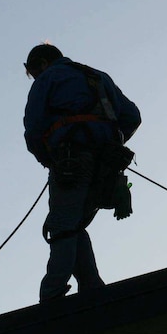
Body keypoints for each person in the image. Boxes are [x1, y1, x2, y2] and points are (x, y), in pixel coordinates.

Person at [22, 43, 141, 302]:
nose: (34, 78)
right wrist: (110, 141)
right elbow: (132, 116)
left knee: (62, 225)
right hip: (108, 165)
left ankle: (52, 294)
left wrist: (50, 159)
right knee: (74, 224)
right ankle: (91, 285)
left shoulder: (48, 80)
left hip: (71, 162)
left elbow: (33, 131)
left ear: (42, 63)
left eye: (33, 73)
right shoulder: (97, 77)